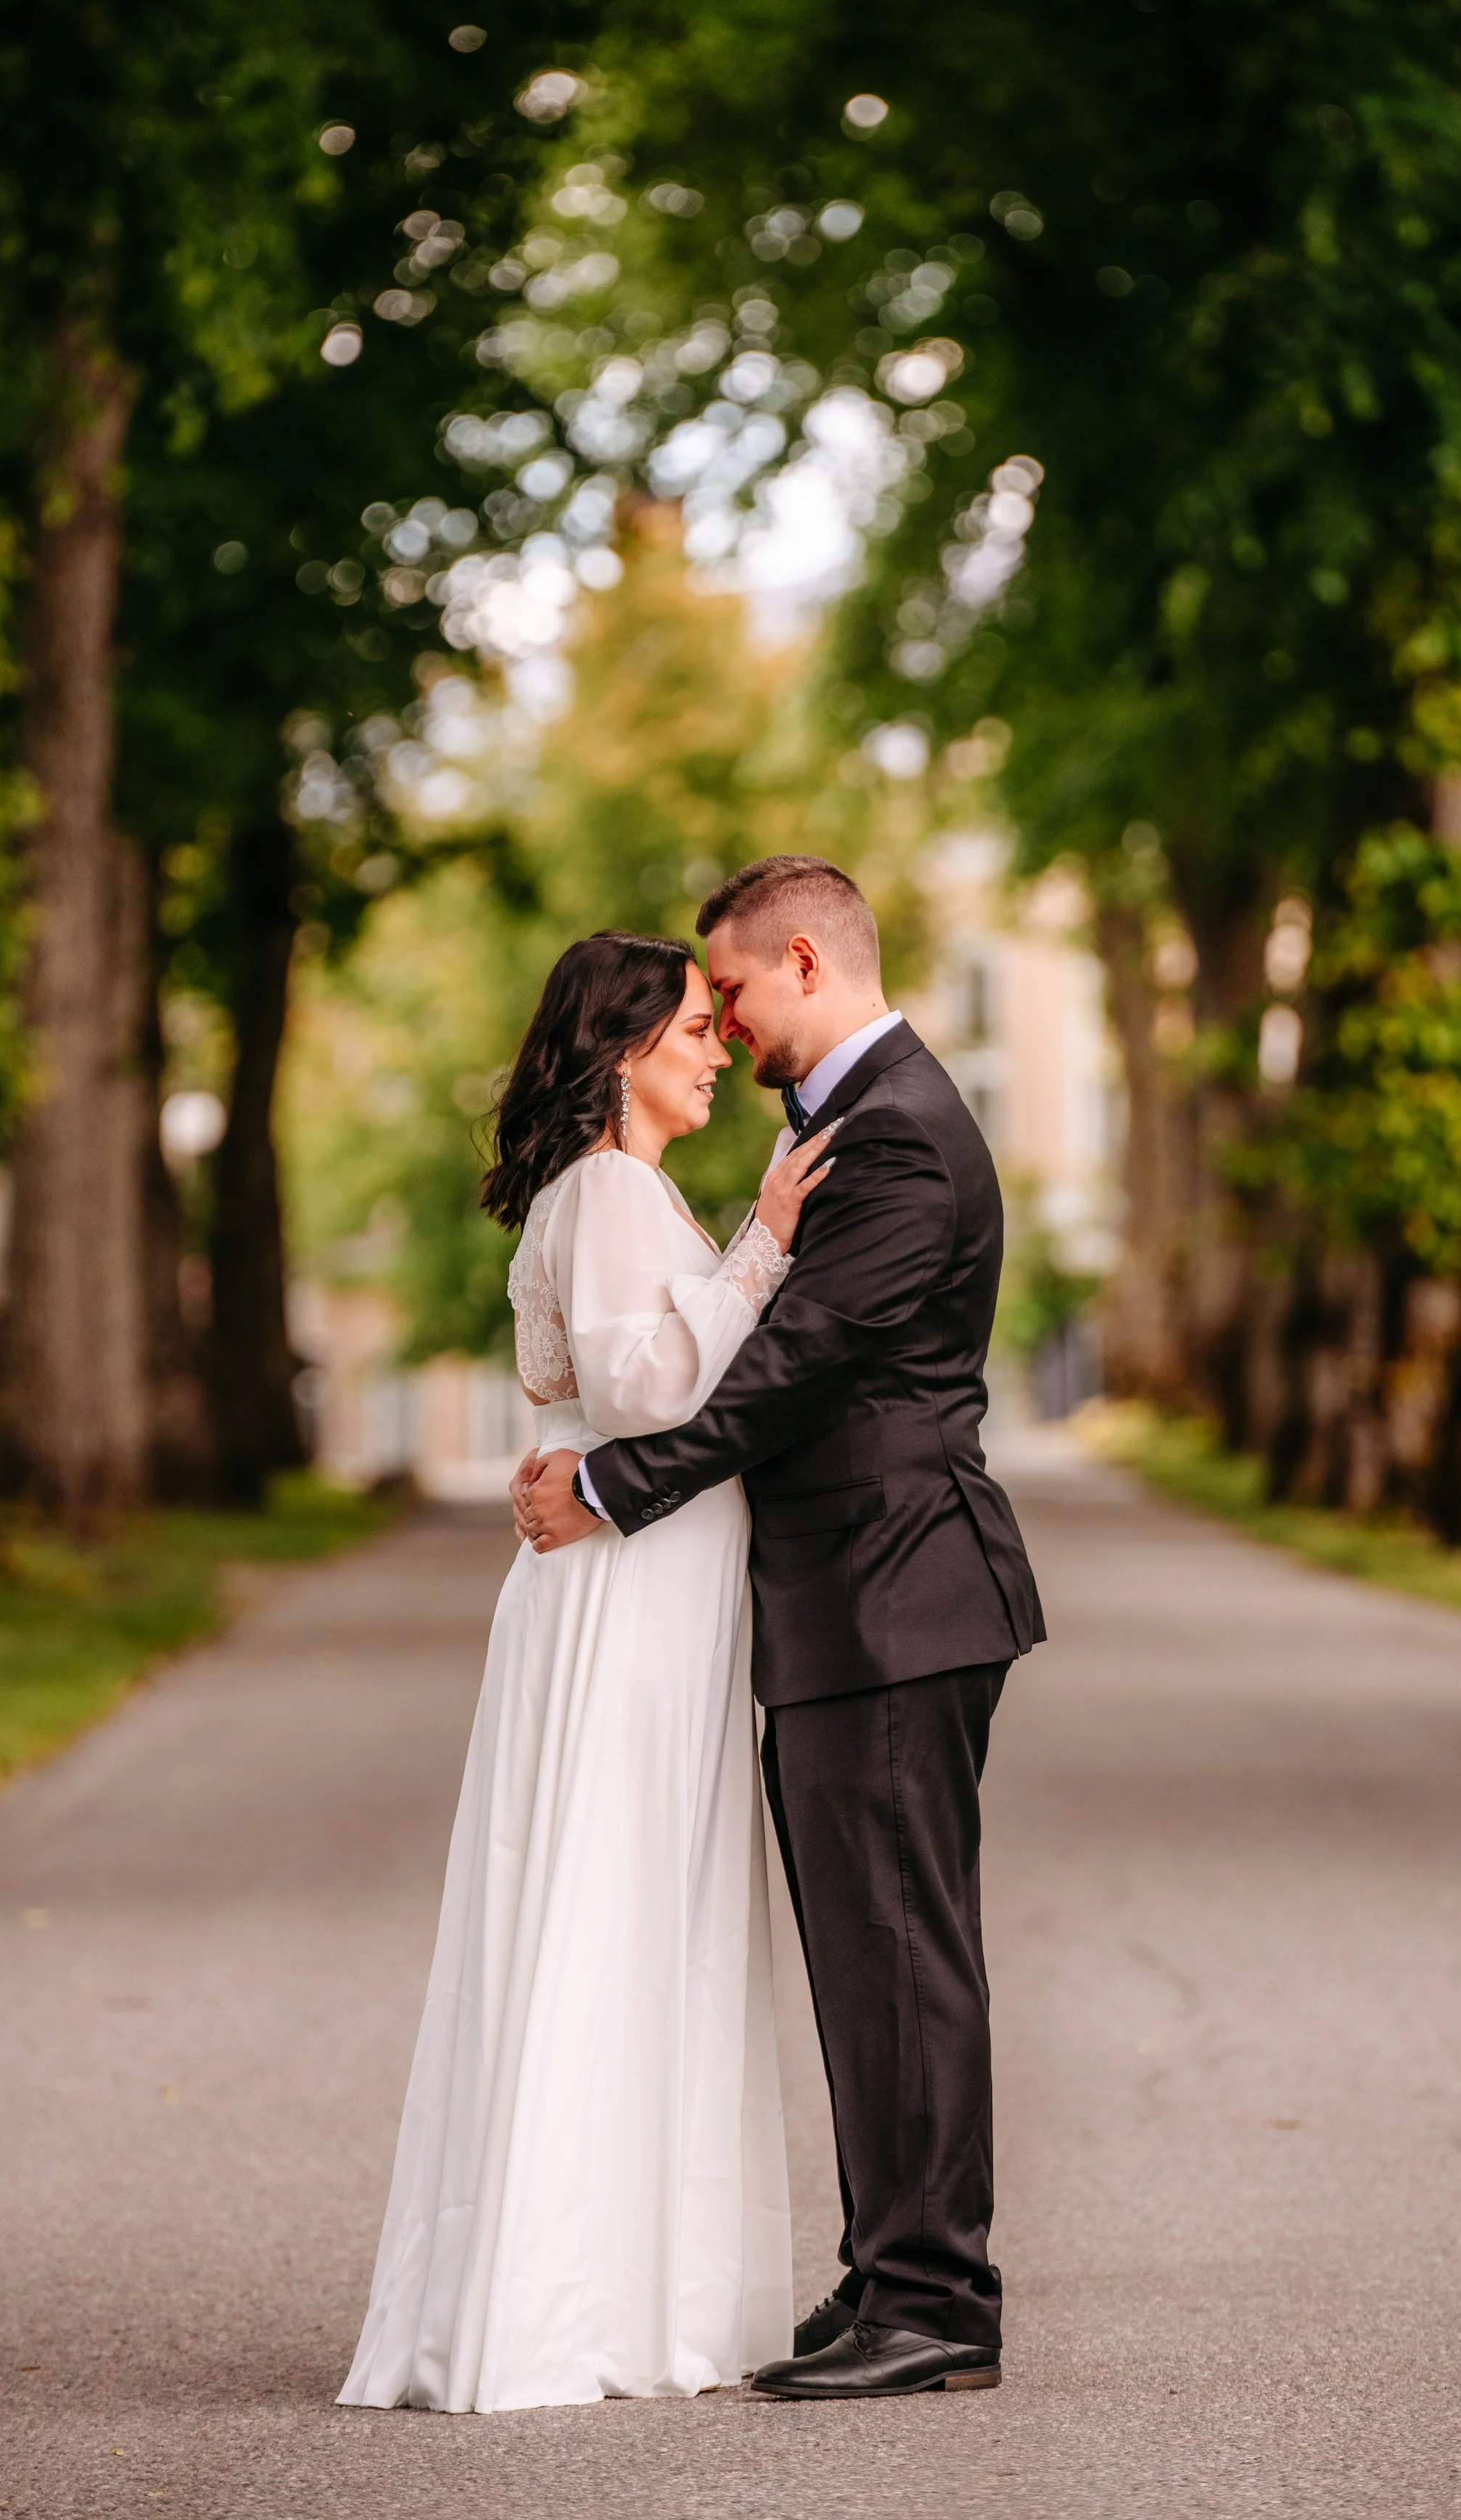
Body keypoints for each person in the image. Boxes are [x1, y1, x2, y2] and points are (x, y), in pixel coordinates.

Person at [515, 856, 1043, 2402]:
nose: (725, 1027)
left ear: (804, 963)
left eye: (731, 991)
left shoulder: (899, 1139)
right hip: (848, 1601)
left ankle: (935, 2299)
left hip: (895, 1591)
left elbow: (788, 1371)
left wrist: (610, 1483)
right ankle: (889, 2271)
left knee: (894, 1948)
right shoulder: (847, 1127)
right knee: (863, 1955)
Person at [338, 929, 835, 2415]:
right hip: (626, 1597)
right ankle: (580, 2302)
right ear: (621, 1047)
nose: (715, 1048)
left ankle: (595, 2280)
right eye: (691, 1026)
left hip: (632, 1588)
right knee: (616, 1905)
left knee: (607, 1903)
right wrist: (763, 1243)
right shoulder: (614, 1189)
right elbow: (637, 1390)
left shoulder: (610, 1189)